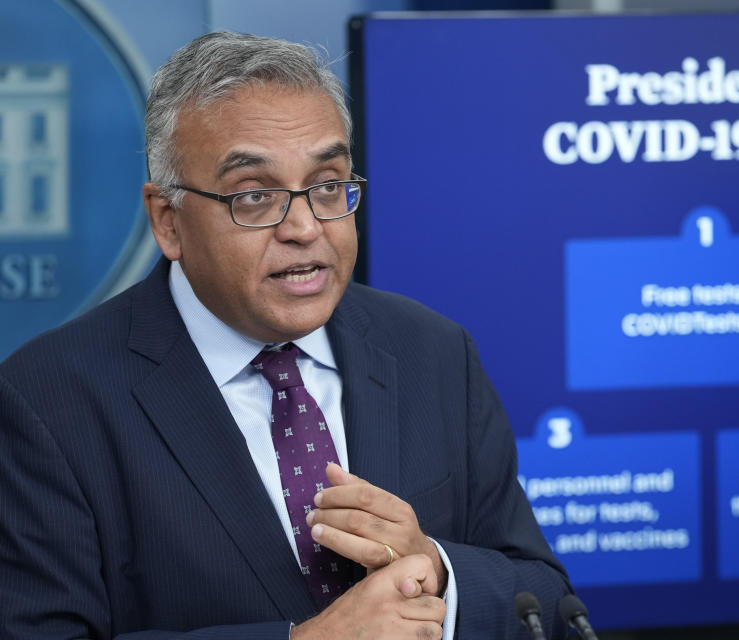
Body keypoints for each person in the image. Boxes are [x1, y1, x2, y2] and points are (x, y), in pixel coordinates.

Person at [0, 32, 570, 639]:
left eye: (328, 185)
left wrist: (437, 569)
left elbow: (548, 603)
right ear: (168, 222)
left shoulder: (431, 351)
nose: (303, 226)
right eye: (253, 195)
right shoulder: (47, 401)